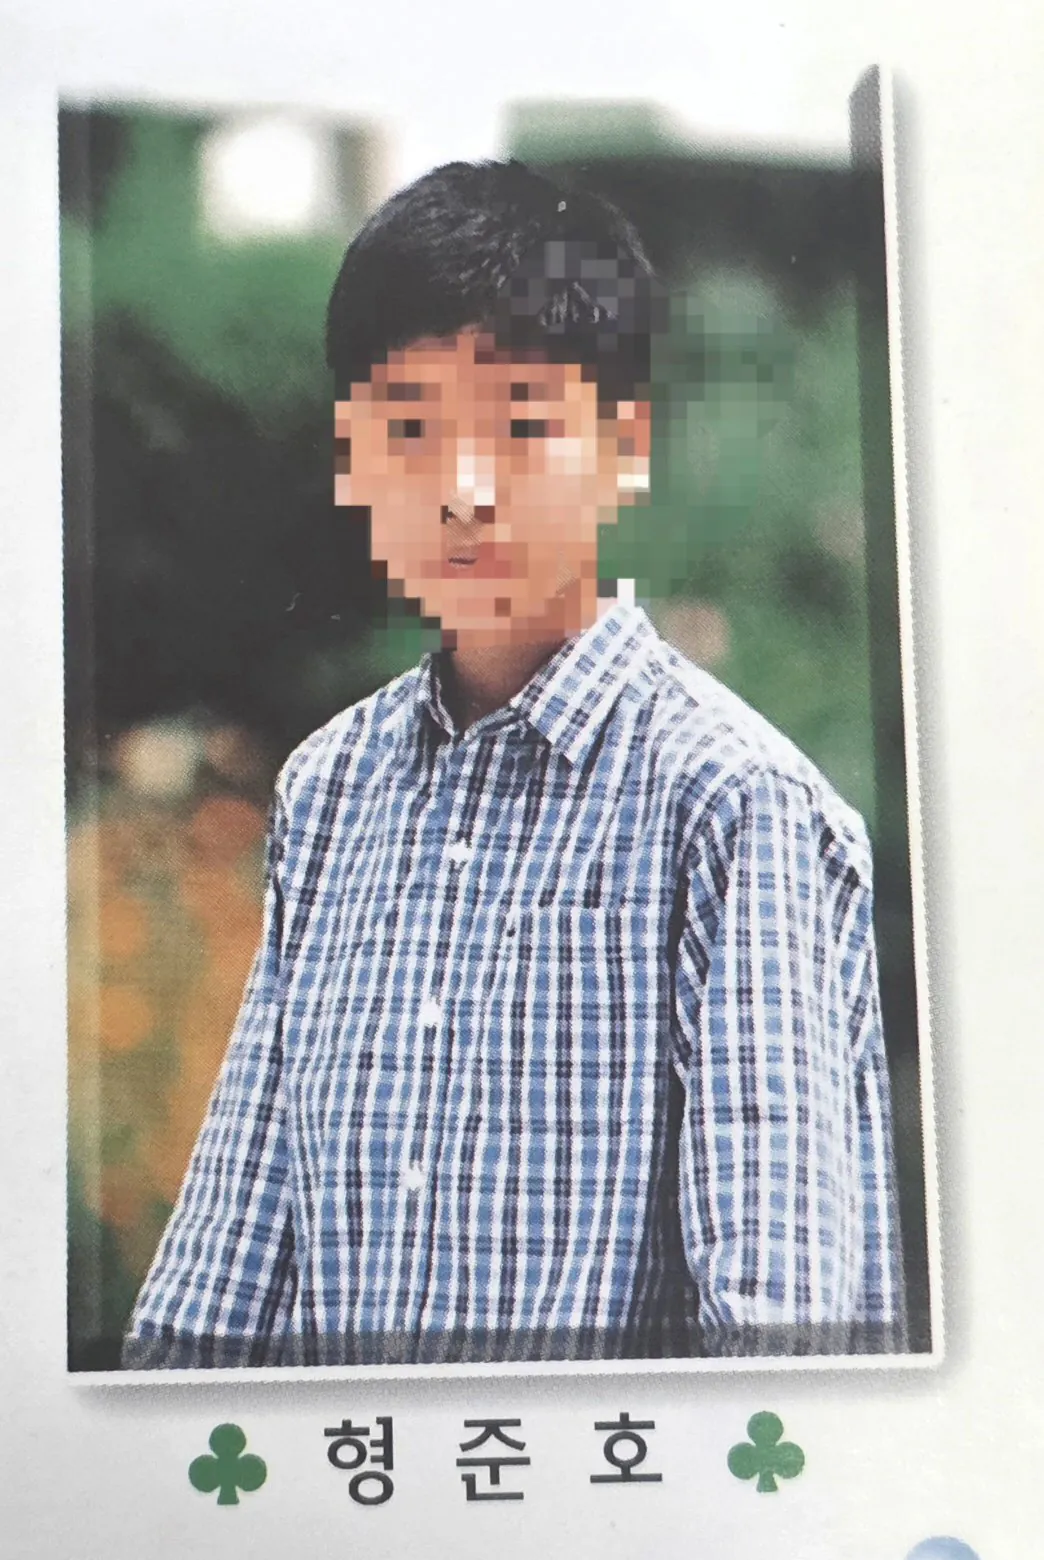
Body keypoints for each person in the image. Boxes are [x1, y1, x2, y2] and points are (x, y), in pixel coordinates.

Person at [123, 159, 907, 1368]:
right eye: (410, 431)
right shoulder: (329, 791)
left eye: (525, 427)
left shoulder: (729, 802)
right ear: (352, 459)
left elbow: (777, 1318)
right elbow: (233, 1245)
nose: (465, 490)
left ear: (625, 447)